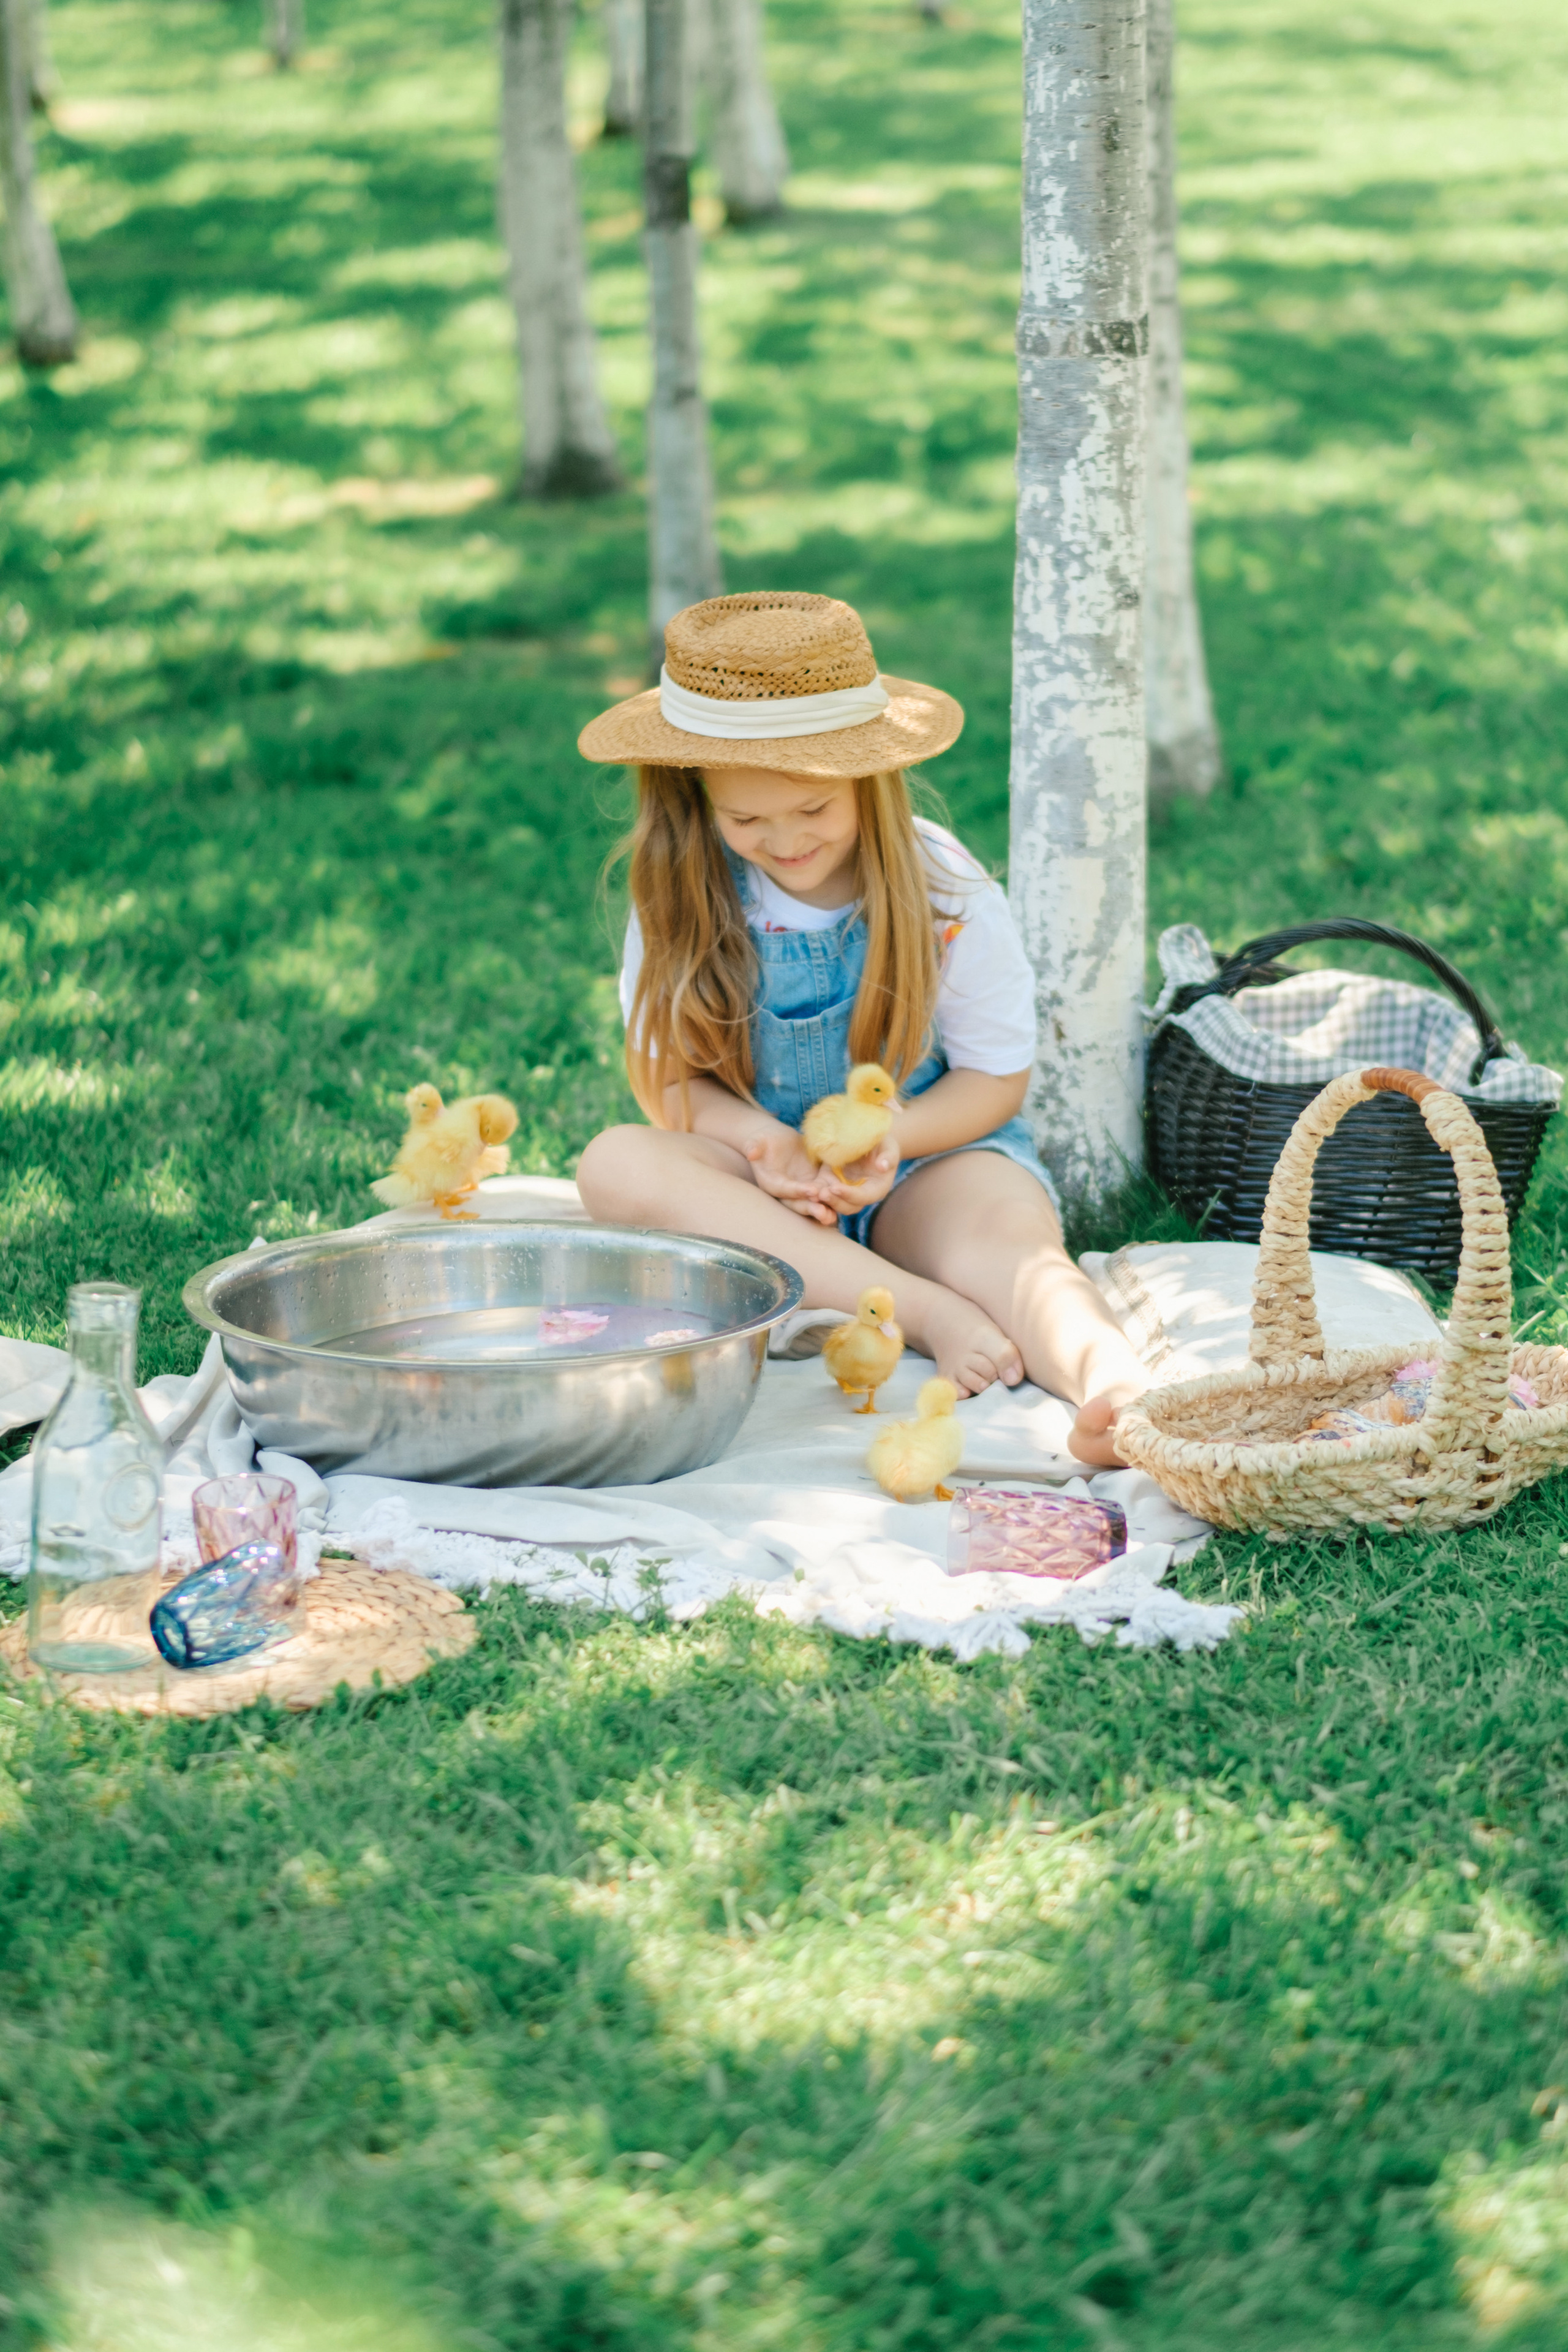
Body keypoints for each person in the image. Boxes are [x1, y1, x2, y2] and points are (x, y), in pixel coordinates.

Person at [574, 590, 1149, 1464]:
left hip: (924, 1163)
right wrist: (764, 1146)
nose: (784, 841)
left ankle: (1115, 1388)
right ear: (694, 796)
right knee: (616, 1164)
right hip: (762, 1186)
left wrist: (894, 1140)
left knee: (1011, 1245)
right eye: (746, 820)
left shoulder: (939, 885)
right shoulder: (681, 894)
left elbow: (996, 1078)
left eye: (813, 809)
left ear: (868, 779)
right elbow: (668, 1081)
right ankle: (923, 1310)